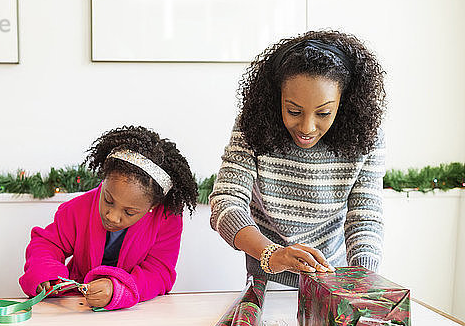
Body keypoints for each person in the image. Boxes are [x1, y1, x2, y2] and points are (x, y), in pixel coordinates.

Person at [209, 30, 386, 288]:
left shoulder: (365, 134)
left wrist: (361, 281)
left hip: (332, 279)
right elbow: (226, 201)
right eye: (293, 111)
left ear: (343, 102)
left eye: (323, 113)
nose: (307, 127)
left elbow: (365, 216)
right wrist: (272, 254)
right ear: (275, 97)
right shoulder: (254, 126)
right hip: (267, 279)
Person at [20, 126, 198, 309]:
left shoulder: (167, 220)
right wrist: (45, 273)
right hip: (78, 307)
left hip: (136, 314)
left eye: (129, 212)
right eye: (108, 200)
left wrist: (120, 290)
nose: (112, 217)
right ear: (104, 180)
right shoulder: (77, 208)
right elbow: (47, 244)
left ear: (152, 206)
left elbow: (159, 272)